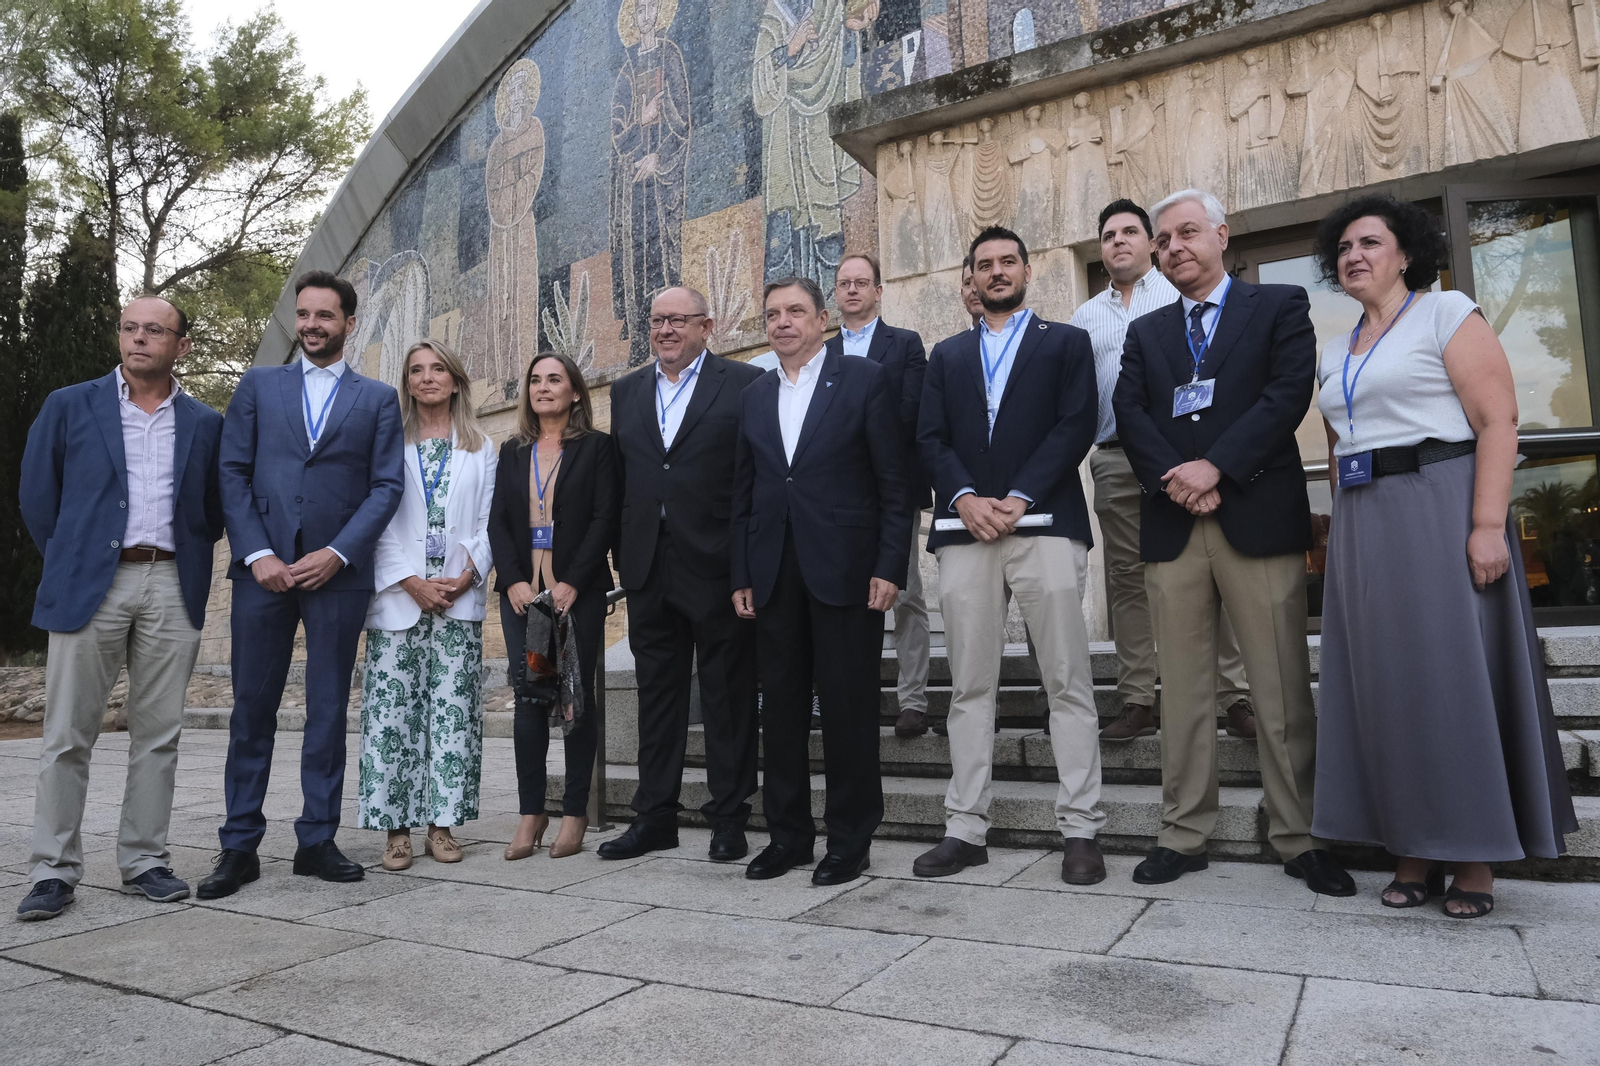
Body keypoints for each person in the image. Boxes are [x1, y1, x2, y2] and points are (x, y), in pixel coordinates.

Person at [1309, 194, 1576, 917]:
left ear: (1405, 253)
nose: (1354, 256)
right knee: (1390, 685)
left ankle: (1475, 857)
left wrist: (1488, 524)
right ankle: (1414, 846)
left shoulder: (1446, 312)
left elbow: (1499, 421)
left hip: (1440, 502)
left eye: (1370, 243)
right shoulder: (1337, 349)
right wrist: (1340, 532)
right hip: (1366, 523)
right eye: (1343, 249)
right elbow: (1339, 447)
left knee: (1449, 677)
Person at [1112, 189, 1353, 895]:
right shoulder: (1147, 332)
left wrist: (1216, 466)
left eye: (1188, 232)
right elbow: (1130, 413)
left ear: (1221, 235)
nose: (1175, 246)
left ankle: (1300, 835)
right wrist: (1175, 479)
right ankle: (1183, 833)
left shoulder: (1277, 307)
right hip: (1174, 522)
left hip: (1254, 512)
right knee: (1183, 689)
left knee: (1278, 686)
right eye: (1164, 240)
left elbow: (1286, 395)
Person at [16, 296, 224, 920]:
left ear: (181, 346)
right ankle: (53, 871)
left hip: (171, 582)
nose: (139, 339)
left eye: (155, 331)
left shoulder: (205, 422)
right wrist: (74, 558)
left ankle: (144, 860)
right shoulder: (69, 405)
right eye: (130, 328)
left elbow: (213, 510)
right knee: (66, 735)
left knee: (158, 733)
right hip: (91, 585)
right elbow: (37, 498)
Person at [201, 272, 405, 899]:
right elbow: (231, 472)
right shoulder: (261, 385)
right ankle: (239, 845)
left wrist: (340, 553)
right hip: (263, 574)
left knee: (326, 710)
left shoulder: (376, 399)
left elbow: (386, 487)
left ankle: (317, 838)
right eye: (305, 314)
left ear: (349, 322)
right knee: (250, 709)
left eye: (327, 315)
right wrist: (257, 551)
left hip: (336, 579)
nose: (313, 324)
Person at [914, 227, 1105, 884]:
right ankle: (965, 828)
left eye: (1007, 262)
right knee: (969, 685)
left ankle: (1081, 828)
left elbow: (1075, 424)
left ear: (1028, 270)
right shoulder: (949, 354)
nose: (996, 272)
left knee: (1067, 681)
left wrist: (1018, 496)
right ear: (970, 278)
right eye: (984, 265)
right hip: (965, 532)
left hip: (1046, 523)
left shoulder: (1067, 344)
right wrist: (965, 497)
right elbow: (929, 437)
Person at [731, 276, 911, 886]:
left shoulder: (862, 379)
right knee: (779, 712)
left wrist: (891, 566)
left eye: (796, 312)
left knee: (847, 710)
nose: (783, 322)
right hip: (775, 573)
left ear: (822, 318)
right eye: (773, 314)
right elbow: (745, 494)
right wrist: (742, 572)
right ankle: (788, 836)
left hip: (847, 574)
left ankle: (850, 840)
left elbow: (894, 484)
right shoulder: (754, 395)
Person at [1070, 200, 1256, 743]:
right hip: (1114, 460)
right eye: (1108, 235)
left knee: (1210, 571)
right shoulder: (1085, 318)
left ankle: (1233, 694)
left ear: (1153, 243)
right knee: (1128, 581)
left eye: (1130, 231)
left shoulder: (1181, 291)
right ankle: (1135, 697)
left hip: (1187, 460)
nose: (1118, 241)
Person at [601, 287, 763, 863]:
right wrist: (619, 555)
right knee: (658, 698)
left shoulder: (744, 385)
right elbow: (622, 480)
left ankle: (729, 819)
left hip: (717, 566)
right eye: (657, 321)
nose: (666, 330)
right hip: (648, 568)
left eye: (678, 320)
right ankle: (655, 818)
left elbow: (751, 479)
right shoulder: (626, 391)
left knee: (727, 696)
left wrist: (746, 564)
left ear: (707, 325)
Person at [358, 340, 496, 871]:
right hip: (399, 598)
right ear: (407, 383)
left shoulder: (481, 447)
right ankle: (396, 828)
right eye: (416, 370)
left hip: (457, 600)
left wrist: (466, 576)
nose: (427, 378)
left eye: (438, 369)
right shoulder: (388, 442)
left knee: (452, 715)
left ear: (456, 380)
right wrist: (410, 581)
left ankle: (441, 824)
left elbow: (487, 520)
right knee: (393, 716)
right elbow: (378, 521)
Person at [489, 352, 618, 860]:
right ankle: (531, 812)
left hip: (572, 598)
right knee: (531, 699)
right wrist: (515, 582)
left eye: (555, 380)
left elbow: (605, 518)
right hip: (525, 601)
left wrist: (574, 583)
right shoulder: (513, 452)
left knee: (572, 700)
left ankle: (574, 812)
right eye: (536, 380)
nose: (543, 388)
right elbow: (498, 521)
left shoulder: (597, 449)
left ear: (576, 393)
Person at [827, 253, 932, 738]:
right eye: (844, 283)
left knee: (904, 589)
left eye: (861, 282)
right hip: (835, 494)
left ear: (878, 291)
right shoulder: (822, 352)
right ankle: (850, 695)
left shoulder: (906, 344)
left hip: (892, 486)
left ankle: (912, 699)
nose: (852, 290)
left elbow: (910, 409)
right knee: (841, 592)